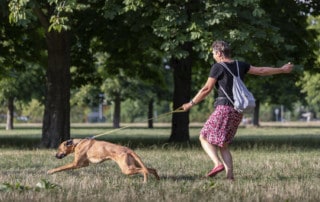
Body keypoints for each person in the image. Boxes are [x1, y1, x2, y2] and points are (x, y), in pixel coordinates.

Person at [182, 40, 293, 180]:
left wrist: (191, 103)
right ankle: (230, 177)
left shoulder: (218, 67)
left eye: (213, 53)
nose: (213, 56)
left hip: (224, 108)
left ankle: (217, 164)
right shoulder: (241, 65)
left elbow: (206, 89)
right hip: (237, 111)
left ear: (219, 53)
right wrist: (282, 70)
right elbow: (261, 71)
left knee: (203, 136)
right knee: (224, 144)